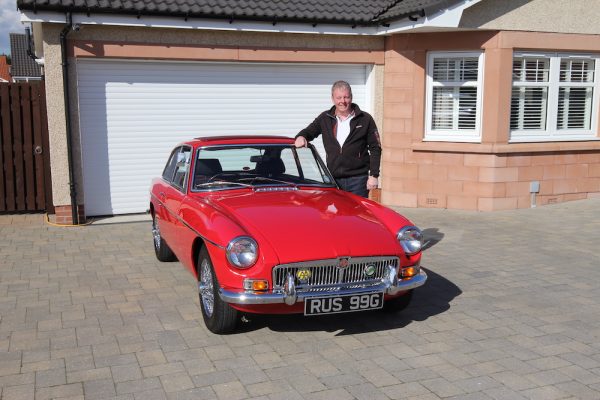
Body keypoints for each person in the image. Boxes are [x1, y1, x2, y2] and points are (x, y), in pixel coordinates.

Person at [295, 80, 382, 198]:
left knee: (356, 215)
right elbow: (309, 131)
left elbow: (375, 148)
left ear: (351, 97)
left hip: (358, 181)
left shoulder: (365, 119)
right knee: (336, 216)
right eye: (339, 97)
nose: (343, 101)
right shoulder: (325, 118)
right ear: (333, 98)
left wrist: (374, 175)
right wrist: (301, 136)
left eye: (346, 97)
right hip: (333, 180)